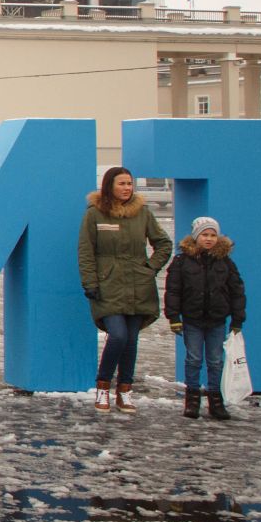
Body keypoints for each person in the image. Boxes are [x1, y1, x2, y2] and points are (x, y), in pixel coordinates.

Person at [79, 166, 173, 413]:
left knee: (131, 340)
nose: (127, 188)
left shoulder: (142, 213)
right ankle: (103, 385)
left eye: (129, 183)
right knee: (118, 335)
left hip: (138, 286)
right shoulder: (94, 214)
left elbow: (163, 243)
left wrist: (150, 268)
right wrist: (90, 281)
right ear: (109, 185)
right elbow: (86, 251)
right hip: (107, 285)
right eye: (121, 183)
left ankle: (125, 390)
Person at [164, 215, 246, 420]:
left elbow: (237, 292)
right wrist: (173, 316)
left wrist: (237, 320)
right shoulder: (181, 262)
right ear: (195, 236)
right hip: (192, 319)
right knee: (193, 359)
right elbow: (173, 291)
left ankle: (215, 399)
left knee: (216, 360)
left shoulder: (225, 262)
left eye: (212, 235)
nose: (208, 239)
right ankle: (192, 399)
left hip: (217, 320)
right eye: (204, 234)